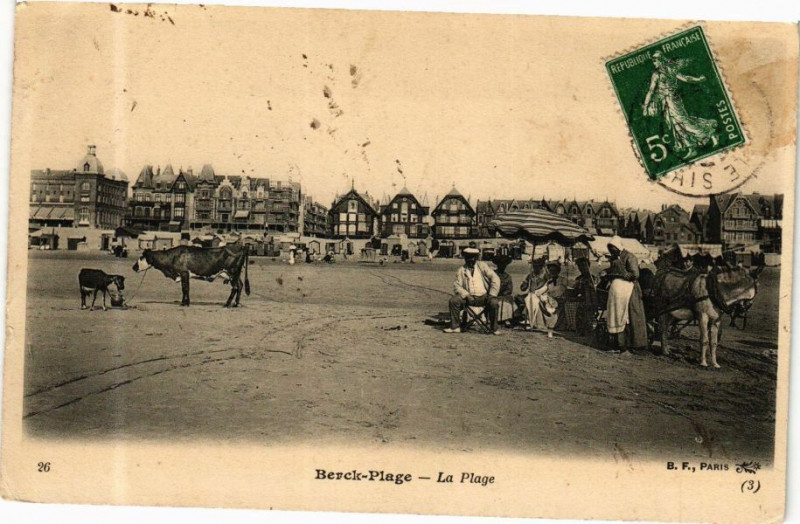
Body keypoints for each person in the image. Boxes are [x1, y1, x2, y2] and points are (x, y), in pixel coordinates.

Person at [643, 51, 719, 160]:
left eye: (655, 60)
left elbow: (685, 78)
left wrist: (698, 80)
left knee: (684, 122)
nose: (654, 63)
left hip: (673, 100)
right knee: (676, 125)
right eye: (653, 61)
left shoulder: (669, 70)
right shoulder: (656, 74)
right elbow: (651, 91)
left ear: (660, 60)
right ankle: (691, 148)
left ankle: (711, 134)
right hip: (666, 102)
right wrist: (646, 106)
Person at [605, 236, 648, 353]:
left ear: (618, 246)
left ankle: (634, 344)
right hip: (617, 292)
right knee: (617, 315)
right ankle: (618, 344)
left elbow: (635, 274)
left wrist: (620, 274)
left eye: (613, 247)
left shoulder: (630, 257)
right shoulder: (614, 259)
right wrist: (607, 272)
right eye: (610, 248)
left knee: (630, 315)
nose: (611, 250)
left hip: (629, 290)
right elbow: (612, 270)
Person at [445, 247, 501, 335]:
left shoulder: (482, 266)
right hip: (468, 297)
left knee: (494, 302)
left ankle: (494, 329)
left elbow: (495, 279)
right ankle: (455, 327)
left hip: (484, 296)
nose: (470, 260)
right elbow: (457, 285)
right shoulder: (461, 270)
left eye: (473, 258)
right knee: (453, 300)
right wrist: (466, 295)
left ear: (476, 258)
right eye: (468, 258)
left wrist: (492, 294)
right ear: (465, 258)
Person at [524, 260, 564, 338]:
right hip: (547, 297)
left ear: (558, 271)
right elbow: (541, 290)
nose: (553, 272)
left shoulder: (562, 280)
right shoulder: (547, 281)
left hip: (558, 298)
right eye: (551, 271)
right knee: (537, 300)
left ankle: (550, 326)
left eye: (555, 271)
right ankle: (535, 322)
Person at [573, 257, 598, 336]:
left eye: (584, 266)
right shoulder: (579, 279)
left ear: (588, 266)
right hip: (582, 299)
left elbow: (595, 290)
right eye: (580, 267)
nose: (582, 269)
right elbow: (575, 291)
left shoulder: (593, 278)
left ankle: (588, 328)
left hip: (591, 299)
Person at [492, 255, 515, 326]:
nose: (502, 266)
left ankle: (506, 319)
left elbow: (510, 288)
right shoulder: (493, 274)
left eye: (504, 265)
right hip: (493, 294)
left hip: (504, 295)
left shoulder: (507, 276)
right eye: (500, 264)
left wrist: (504, 293)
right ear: (498, 265)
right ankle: (496, 319)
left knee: (508, 299)